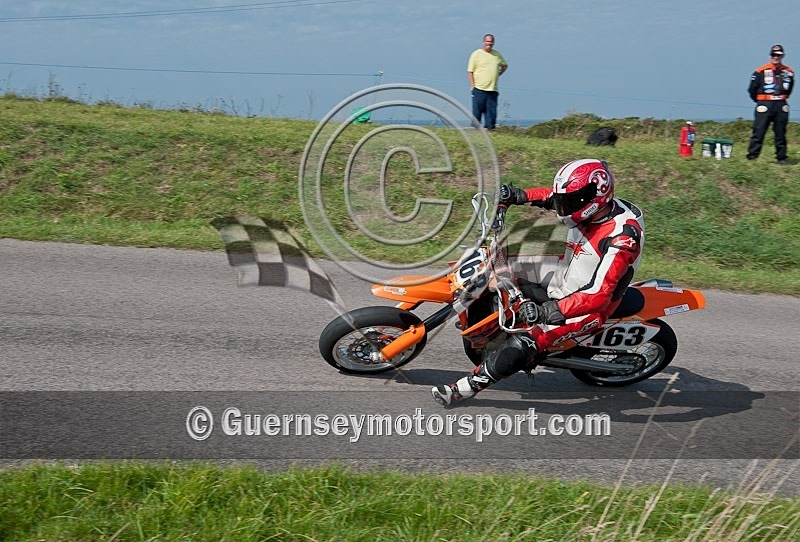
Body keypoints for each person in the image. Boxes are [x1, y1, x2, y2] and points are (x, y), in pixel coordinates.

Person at [432, 159, 645, 406]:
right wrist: (517, 196)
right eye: (564, 200)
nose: (561, 207)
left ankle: (466, 388)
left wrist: (546, 311)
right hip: (565, 275)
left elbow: (598, 294)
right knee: (504, 269)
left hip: (585, 307)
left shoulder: (622, 238)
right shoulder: (591, 206)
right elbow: (553, 197)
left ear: (595, 196)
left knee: (528, 340)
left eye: (569, 202)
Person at [746, 45, 794, 165]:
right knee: (759, 130)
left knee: (780, 132)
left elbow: (789, 89)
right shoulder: (760, 71)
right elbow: (752, 89)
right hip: (764, 103)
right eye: (774, 55)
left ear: (782, 56)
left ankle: (781, 157)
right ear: (770, 56)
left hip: (780, 104)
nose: (775, 57)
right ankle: (752, 156)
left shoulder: (789, 72)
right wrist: (760, 101)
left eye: (778, 55)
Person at [467, 34, 508, 130]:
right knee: (477, 113)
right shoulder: (476, 54)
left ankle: (490, 132)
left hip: (492, 89)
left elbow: (504, 65)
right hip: (479, 89)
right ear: (484, 42)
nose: (489, 43)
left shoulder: (496, 54)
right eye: (487, 41)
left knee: (491, 115)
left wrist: (498, 74)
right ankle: (476, 132)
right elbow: (470, 71)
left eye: (491, 42)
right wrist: (473, 85)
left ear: (493, 43)